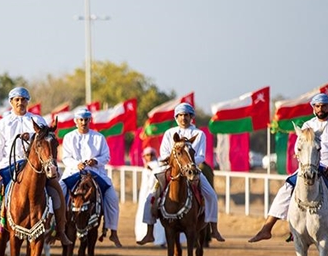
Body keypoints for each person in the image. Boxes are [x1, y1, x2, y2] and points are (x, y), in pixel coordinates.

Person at [249, 92, 328, 250]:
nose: (320, 109)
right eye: (317, 106)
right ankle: (267, 228)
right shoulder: (307, 126)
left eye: (324, 106)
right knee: (287, 187)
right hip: (312, 166)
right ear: (313, 108)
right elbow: (299, 148)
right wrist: (302, 159)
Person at [0, 87, 70, 246]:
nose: (20, 103)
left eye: (23, 99)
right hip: (9, 164)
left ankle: (61, 230)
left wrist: (33, 139)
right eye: (17, 100)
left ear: (27, 101)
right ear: (11, 102)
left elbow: (45, 141)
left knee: (57, 190)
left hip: (35, 166)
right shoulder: (3, 123)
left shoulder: (38, 120)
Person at [140, 102, 225, 244]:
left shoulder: (199, 134)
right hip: (171, 169)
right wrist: (175, 163)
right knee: (150, 197)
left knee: (211, 195)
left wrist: (189, 164)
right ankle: (149, 232)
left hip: (192, 170)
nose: (183, 118)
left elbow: (201, 156)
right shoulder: (169, 133)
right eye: (180, 115)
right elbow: (164, 153)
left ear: (191, 117)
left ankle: (214, 229)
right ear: (176, 117)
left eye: (186, 115)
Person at [59, 108, 122, 247]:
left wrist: (96, 161)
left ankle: (113, 231)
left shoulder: (99, 137)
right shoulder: (69, 137)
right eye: (81, 120)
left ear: (90, 120)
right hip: (73, 172)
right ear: (76, 121)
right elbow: (65, 157)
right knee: (59, 192)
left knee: (112, 196)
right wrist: (77, 164)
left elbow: (106, 156)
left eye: (86, 119)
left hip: (95, 173)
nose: (83, 122)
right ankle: (56, 228)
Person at [135, 148, 167, 245]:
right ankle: (149, 234)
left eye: (151, 155)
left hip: (157, 191)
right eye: (147, 155)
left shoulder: (156, 166)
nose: (149, 157)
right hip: (147, 193)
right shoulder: (149, 166)